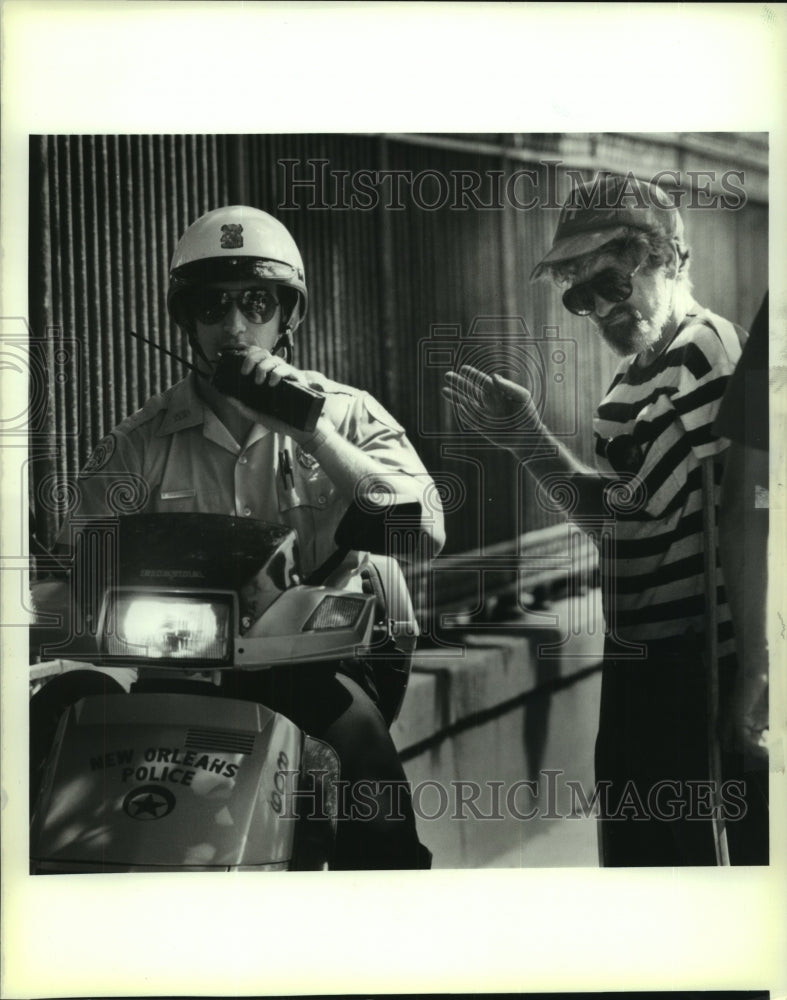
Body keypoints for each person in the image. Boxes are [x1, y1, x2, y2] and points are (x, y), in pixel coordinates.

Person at [31, 204, 445, 870]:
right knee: (61, 722)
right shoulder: (140, 443)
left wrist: (313, 433)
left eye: (255, 303)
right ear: (184, 320)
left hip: (313, 669)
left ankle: (384, 940)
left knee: (363, 762)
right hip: (177, 672)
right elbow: (75, 564)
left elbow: (424, 532)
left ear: (288, 316)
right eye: (211, 306)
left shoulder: (344, 415)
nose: (234, 326)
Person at [442, 173, 765, 866]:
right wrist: (526, 439)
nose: (598, 309)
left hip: (699, 659)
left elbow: (727, 521)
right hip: (644, 656)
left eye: (612, 282)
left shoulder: (704, 356)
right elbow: (624, 529)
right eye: (578, 294)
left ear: (671, 259)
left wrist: (750, 677)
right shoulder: (629, 383)